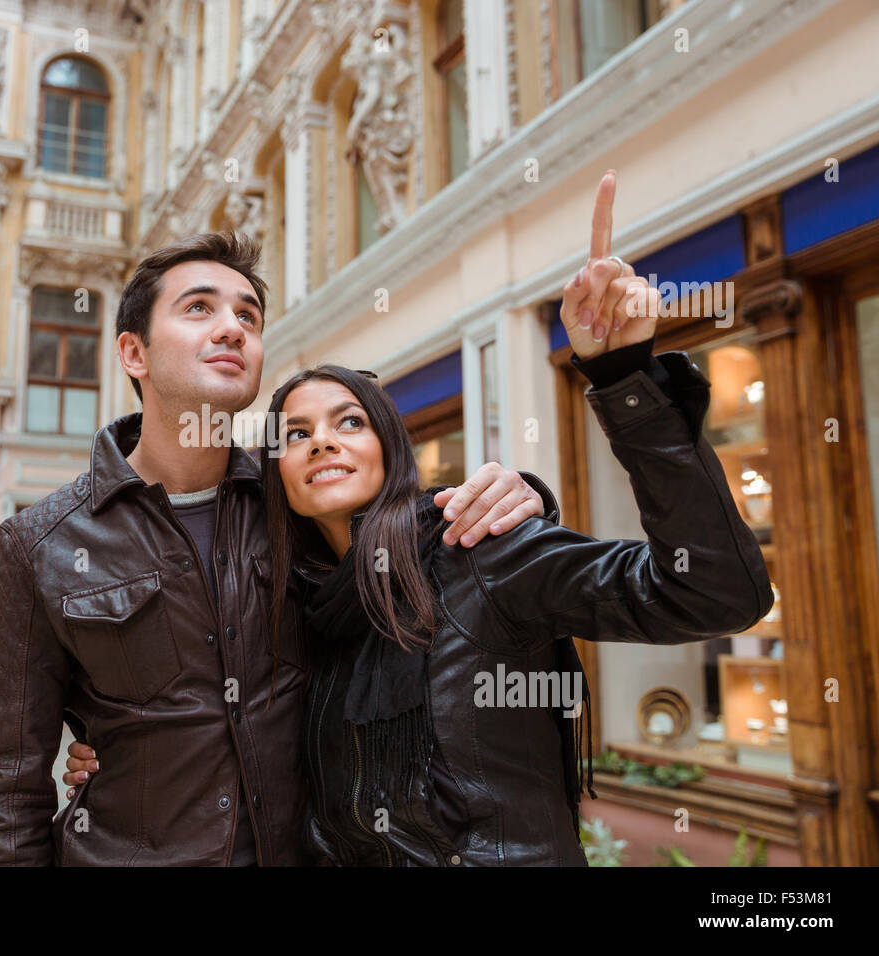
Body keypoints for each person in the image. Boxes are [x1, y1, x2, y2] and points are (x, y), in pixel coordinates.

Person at [63, 171, 774, 865]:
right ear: (275, 472)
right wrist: (111, 755)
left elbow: (715, 593)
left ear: (388, 448)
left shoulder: (479, 551)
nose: (324, 442)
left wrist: (623, 377)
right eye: (298, 433)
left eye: (350, 421)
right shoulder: (293, 610)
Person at [0, 231, 552, 866]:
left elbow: (412, 533)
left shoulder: (296, 509)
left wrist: (522, 497)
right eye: (199, 309)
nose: (232, 329)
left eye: (247, 315)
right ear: (133, 352)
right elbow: (7, 792)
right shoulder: (38, 545)